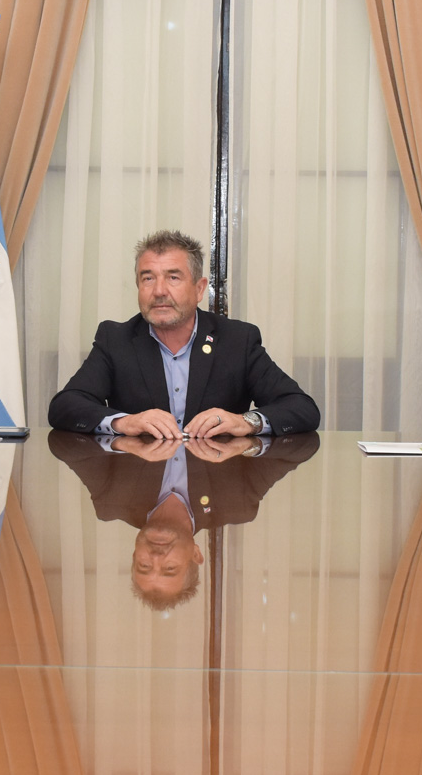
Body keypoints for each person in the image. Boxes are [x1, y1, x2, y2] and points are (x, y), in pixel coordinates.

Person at [48, 230, 320, 437]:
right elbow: (65, 406)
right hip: (139, 481)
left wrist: (246, 421)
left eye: (173, 277)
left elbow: (301, 407)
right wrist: (123, 422)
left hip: (219, 480)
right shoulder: (116, 339)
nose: (159, 291)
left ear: (199, 289)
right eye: (148, 278)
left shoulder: (238, 340)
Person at [48, 429, 319, 611]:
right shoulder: (236, 502)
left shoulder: (112, 499)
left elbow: (63, 445)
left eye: (144, 565)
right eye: (169, 568)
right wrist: (247, 425)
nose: (156, 557)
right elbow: (301, 448)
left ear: (134, 553)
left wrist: (121, 425)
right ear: (196, 555)